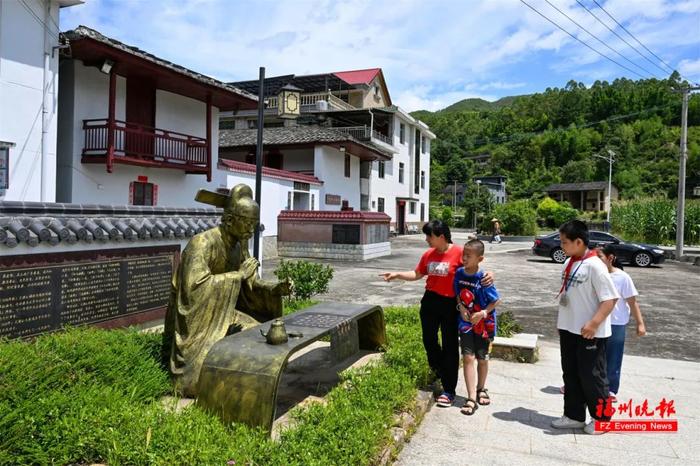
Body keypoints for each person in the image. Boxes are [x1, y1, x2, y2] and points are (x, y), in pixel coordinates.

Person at [163, 184, 290, 397]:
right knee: (198, 376)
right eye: (247, 223)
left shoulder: (240, 244)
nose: (251, 230)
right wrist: (237, 276)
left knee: (261, 335)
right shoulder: (201, 244)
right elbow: (194, 289)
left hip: (226, 311)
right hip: (199, 323)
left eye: (254, 224)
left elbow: (250, 283)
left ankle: (251, 380)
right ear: (230, 220)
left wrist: (274, 288)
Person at [380, 220, 493, 407]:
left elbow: (475, 266)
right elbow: (417, 274)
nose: (426, 240)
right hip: (431, 301)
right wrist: (397, 274)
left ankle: (449, 390)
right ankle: (440, 371)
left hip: (451, 304)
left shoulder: (458, 252)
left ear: (441, 236)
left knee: (449, 345)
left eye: (429, 236)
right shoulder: (428, 254)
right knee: (429, 340)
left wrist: (490, 274)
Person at [551, 220, 619, 435]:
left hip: (590, 332)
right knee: (570, 373)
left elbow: (610, 299)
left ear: (578, 241)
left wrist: (593, 323)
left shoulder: (595, 266)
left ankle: (602, 418)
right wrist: (562, 323)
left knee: (592, 376)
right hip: (569, 329)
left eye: (564, 242)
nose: (561, 246)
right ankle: (574, 415)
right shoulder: (571, 261)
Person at [453, 239, 501, 415]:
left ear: (480, 259)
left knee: (482, 359)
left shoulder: (483, 278)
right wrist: (462, 307)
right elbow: (458, 294)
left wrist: (483, 313)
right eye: (463, 254)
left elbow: (496, 300)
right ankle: (471, 396)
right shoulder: (459, 274)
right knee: (467, 358)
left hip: (484, 326)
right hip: (465, 324)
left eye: (469, 256)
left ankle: (481, 388)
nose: (464, 258)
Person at [597, 244, 646, 401]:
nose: (595, 261)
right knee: (591, 356)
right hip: (596, 323)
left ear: (610, 258)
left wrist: (640, 323)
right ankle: (587, 386)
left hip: (616, 324)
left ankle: (611, 390)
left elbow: (633, 302)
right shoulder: (594, 275)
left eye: (599, 258)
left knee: (613, 357)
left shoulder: (622, 277)